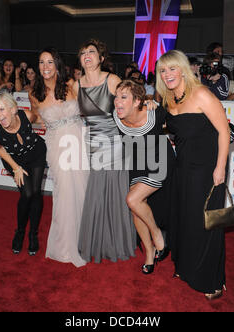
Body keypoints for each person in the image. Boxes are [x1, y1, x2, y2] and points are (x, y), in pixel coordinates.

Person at [156, 50, 230, 300]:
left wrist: (220, 168)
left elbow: (224, 131)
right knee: (185, 219)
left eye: (172, 69)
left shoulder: (201, 94)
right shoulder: (167, 99)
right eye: (163, 71)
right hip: (183, 167)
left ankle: (212, 280)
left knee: (207, 224)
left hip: (208, 168)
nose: (168, 75)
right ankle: (187, 268)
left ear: (183, 69)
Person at [72, 38, 136, 263]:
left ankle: (113, 242)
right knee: (98, 191)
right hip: (92, 142)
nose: (87, 55)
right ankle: (99, 241)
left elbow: (130, 106)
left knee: (114, 191)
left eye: (91, 51)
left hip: (114, 142)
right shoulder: (75, 85)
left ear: (101, 58)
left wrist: (149, 105)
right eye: (82, 52)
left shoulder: (112, 80)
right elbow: (73, 114)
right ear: (80, 59)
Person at [29, 47, 89, 268]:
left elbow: (89, 108)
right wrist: (26, 118)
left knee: (83, 189)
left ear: (57, 65)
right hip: (56, 145)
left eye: (49, 62)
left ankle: (86, 240)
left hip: (79, 140)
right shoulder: (34, 93)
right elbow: (36, 116)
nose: (45, 67)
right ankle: (66, 245)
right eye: (41, 62)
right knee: (64, 193)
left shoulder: (72, 85)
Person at [114, 79, 176, 274]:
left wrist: (154, 102)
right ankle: (149, 253)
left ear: (137, 101)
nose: (117, 101)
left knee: (132, 199)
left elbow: (181, 125)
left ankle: (157, 235)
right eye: (116, 97)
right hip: (137, 163)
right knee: (135, 208)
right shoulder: (115, 117)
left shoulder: (154, 113)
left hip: (160, 161)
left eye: (124, 97)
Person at [0, 91, 46, 255]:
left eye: (1, 109)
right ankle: (20, 232)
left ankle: (33, 234)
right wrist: (15, 167)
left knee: (36, 193)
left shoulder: (26, 115)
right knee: (26, 194)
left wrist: (43, 121)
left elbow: (36, 116)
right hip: (15, 161)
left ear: (13, 109)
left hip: (36, 154)